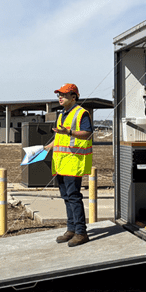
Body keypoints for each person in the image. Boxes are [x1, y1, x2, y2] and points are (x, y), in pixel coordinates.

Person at [44, 83, 93, 247]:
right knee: (66, 197)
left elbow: (87, 133)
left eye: (64, 95)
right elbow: (60, 138)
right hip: (61, 163)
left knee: (74, 197)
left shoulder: (81, 113)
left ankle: (81, 232)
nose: (60, 97)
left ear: (74, 97)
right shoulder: (61, 115)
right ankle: (71, 229)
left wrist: (69, 132)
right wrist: (48, 147)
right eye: (59, 95)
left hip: (73, 162)